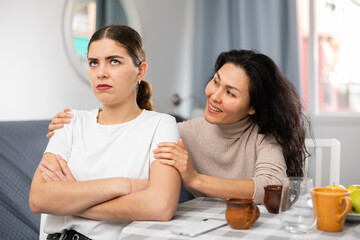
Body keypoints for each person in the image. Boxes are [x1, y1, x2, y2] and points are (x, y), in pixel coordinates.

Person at [46, 49, 310, 205]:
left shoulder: (265, 136)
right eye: (215, 82)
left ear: (253, 106)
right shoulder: (182, 132)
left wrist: (194, 178)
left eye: (230, 93)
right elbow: (127, 143)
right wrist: (73, 130)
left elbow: (272, 187)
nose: (214, 95)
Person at [29, 25, 181, 240]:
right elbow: (38, 199)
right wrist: (121, 184)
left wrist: (71, 200)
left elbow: (160, 206)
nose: (101, 73)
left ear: (140, 70)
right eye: (93, 63)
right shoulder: (70, 121)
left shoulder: (161, 125)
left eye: (114, 61)